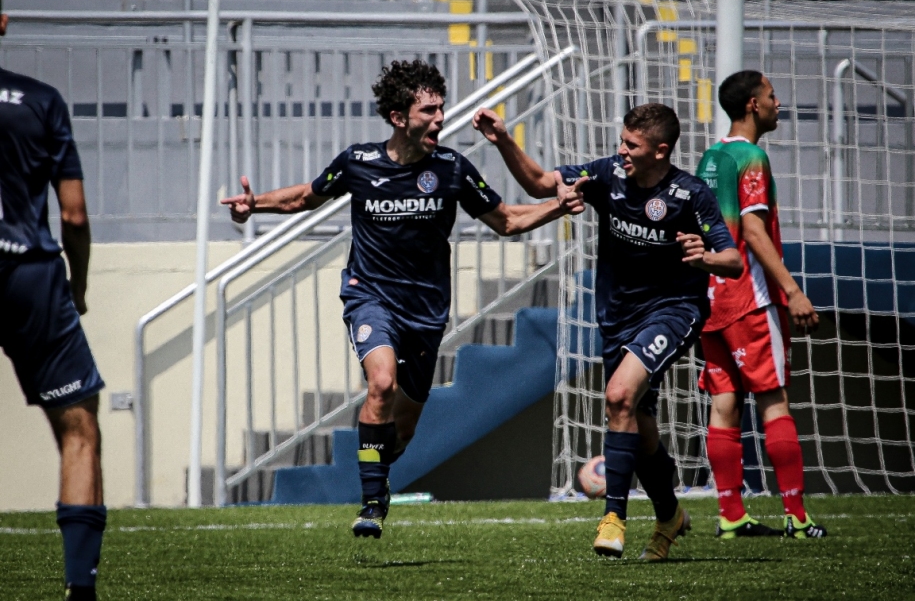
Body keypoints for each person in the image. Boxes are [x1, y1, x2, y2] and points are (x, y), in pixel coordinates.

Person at [222, 59, 580, 539]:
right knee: (381, 385)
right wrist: (254, 204)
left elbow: (508, 221)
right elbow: (304, 198)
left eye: (441, 109)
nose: (439, 118)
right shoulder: (358, 163)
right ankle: (372, 502)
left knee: (403, 431)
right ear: (398, 117)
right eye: (428, 110)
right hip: (369, 297)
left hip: (426, 311)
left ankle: (379, 469)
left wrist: (559, 206)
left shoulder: (452, 168)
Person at [473, 103, 742, 559]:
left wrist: (704, 258)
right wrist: (502, 139)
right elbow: (542, 184)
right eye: (621, 140)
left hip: (674, 311)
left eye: (631, 145)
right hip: (618, 316)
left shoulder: (690, 193)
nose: (621, 150)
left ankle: (613, 516)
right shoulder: (607, 175)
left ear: (660, 150)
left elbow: (732, 260)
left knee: (618, 396)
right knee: (639, 425)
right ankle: (670, 515)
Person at [0, 0, 107, 601]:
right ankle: (79, 589)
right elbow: (74, 213)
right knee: (78, 426)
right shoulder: (40, 101)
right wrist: (80, 286)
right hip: (27, 274)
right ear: (3, 23)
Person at [696, 70, 827, 539]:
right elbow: (752, 230)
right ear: (753, 104)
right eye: (772, 96)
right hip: (750, 298)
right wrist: (792, 291)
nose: (778, 103)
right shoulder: (752, 157)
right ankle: (796, 515)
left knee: (724, 402)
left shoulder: (711, 156)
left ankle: (731, 515)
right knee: (774, 400)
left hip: (711, 299)